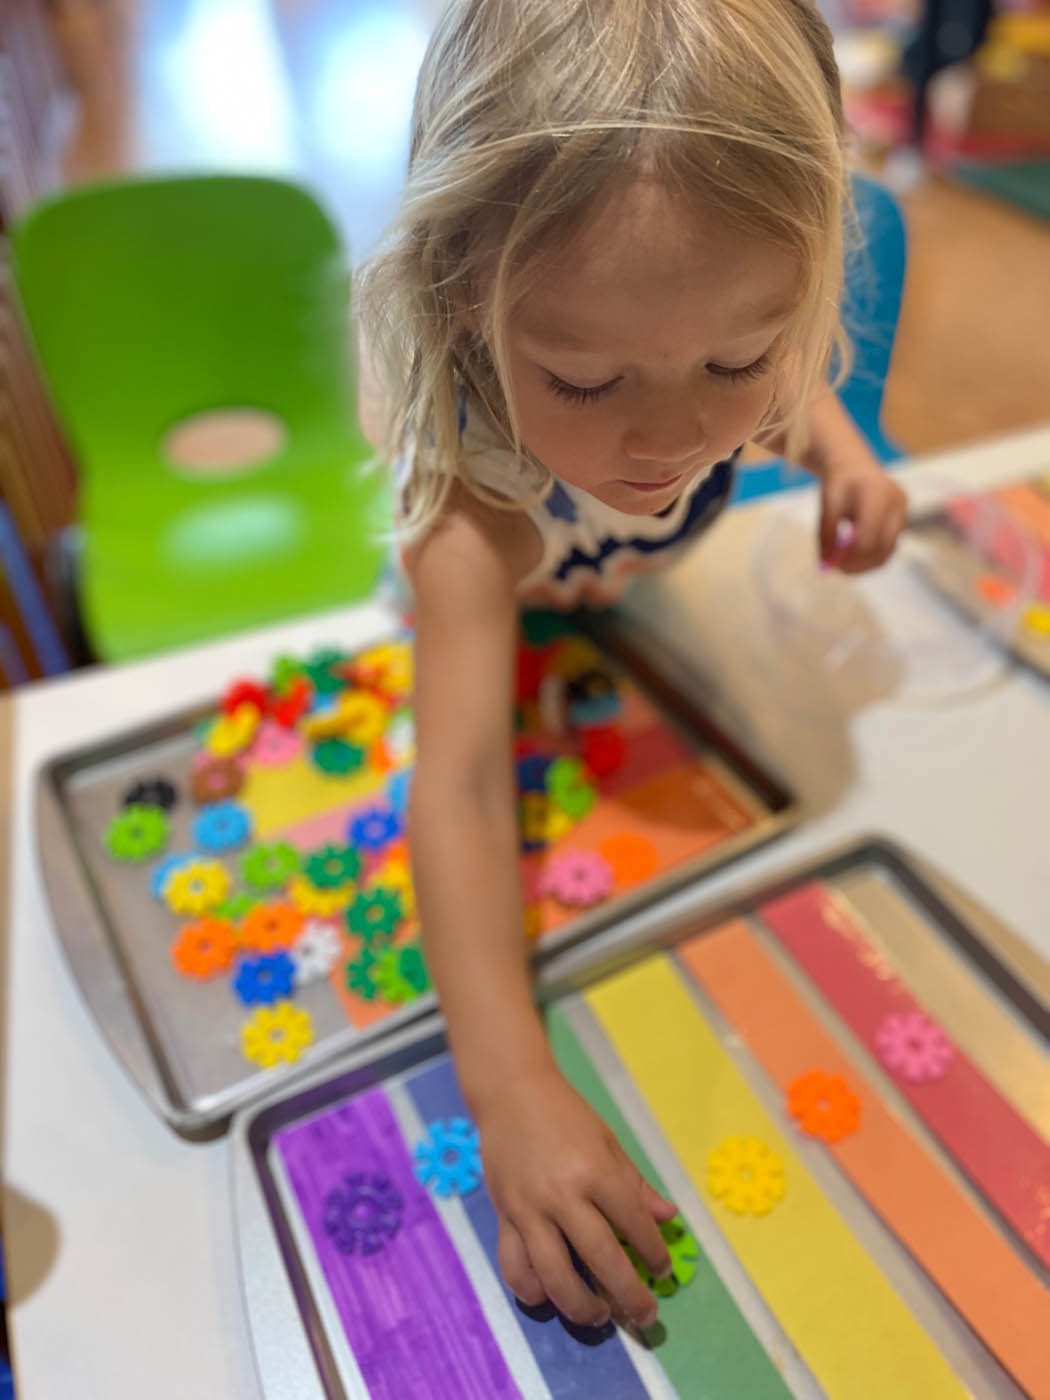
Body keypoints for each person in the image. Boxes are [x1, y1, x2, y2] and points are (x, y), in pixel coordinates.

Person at [358, 0, 907, 1333]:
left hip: (634, 618)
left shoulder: (715, 336)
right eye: (586, 379)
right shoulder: (468, 517)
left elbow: (786, 389)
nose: (670, 435)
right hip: (513, 622)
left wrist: (838, 451)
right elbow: (469, 789)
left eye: (733, 355)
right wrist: (509, 1090)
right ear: (461, 305)